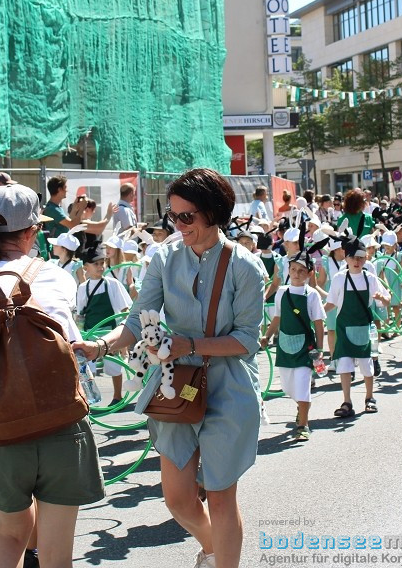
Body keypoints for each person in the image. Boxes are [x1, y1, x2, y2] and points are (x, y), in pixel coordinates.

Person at [72, 169, 264, 568]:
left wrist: (189, 344)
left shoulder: (245, 266)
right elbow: (139, 316)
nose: (178, 226)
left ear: (214, 213)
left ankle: (225, 561)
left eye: (187, 217)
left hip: (229, 385)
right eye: (172, 217)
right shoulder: (163, 258)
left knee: (222, 494)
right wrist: (101, 345)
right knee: (177, 499)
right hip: (176, 383)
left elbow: (247, 340)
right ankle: (216, 550)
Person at [0, 183, 103, 568]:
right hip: (62, 422)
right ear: (31, 231)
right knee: (57, 553)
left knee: (11, 534)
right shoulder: (58, 278)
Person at [261, 249, 326, 441]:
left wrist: (320, 349)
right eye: (293, 269)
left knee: (303, 385)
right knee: (289, 387)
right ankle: (301, 407)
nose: (296, 274)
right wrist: (267, 336)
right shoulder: (281, 293)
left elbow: (319, 324)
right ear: (288, 269)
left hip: (306, 348)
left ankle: (303, 424)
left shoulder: (312, 294)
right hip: (285, 346)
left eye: (301, 270)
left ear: (309, 273)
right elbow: (277, 318)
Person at [325, 234, 389, 416]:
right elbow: (331, 303)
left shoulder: (370, 278)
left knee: (367, 366)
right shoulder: (338, 278)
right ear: (346, 258)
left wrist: (382, 298)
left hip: (364, 327)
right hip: (344, 328)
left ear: (365, 258)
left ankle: (370, 398)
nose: (356, 261)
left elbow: (386, 300)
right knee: (344, 366)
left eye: (360, 257)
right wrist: (316, 312)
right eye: (353, 257)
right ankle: (347, 402)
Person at [75, 248, 131, 405]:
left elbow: (124, 309)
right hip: (90, 331)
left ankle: (117, 396)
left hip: (110, 330)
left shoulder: (112, 284)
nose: (100, 267)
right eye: (96, 264)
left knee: (114, 365)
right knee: (87, 369)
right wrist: (80, 334)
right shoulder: (82, 288)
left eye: (102, 263)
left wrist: (123, 332)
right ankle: (88, 399)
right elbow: (80, 314)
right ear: (86, 267)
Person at [42, 175, 80, 239]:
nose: (67, 190)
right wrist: (82, 207)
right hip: (56, 247)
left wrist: (75, 208)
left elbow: (69, 221)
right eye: (65, 187)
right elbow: (72, 225)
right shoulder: (52, 209)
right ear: (59, 189)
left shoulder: (56, 207)